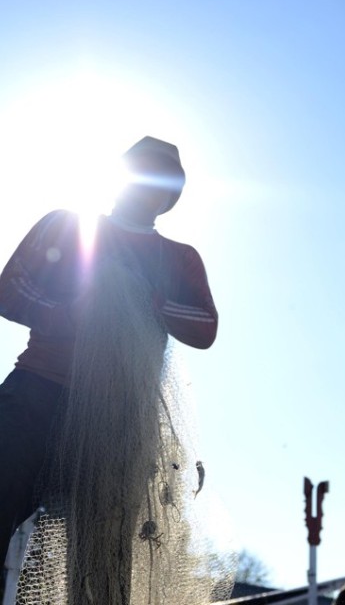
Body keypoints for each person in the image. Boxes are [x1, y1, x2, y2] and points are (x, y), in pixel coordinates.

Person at [0, 136, 218, 596]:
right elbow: (10, 290)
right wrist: (66, 314)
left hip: (120, 421)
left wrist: (154, 301)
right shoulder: (66, 225)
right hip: (39, 390)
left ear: (170, 197)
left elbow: (206, 328)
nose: (147, 187)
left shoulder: (179, 258)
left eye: (161, 181)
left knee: (102, 559)